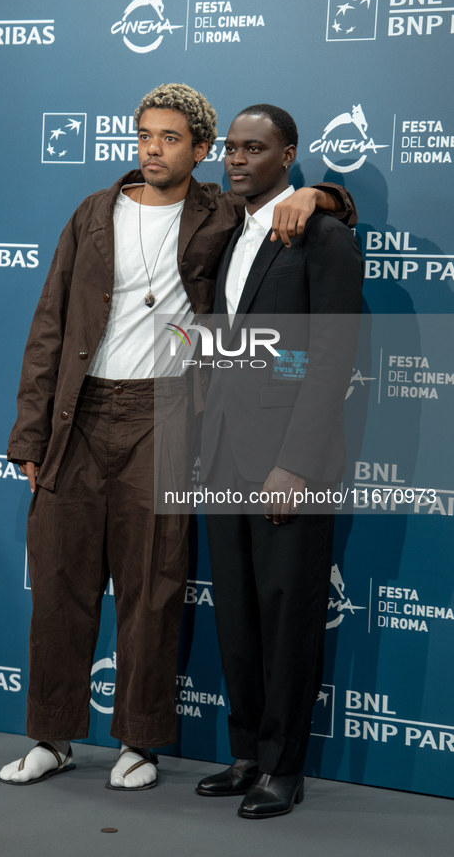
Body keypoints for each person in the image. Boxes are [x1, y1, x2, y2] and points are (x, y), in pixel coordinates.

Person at [0, 84, 355, 791]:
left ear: (196, 148)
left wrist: (325, 196)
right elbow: (48, 326)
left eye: (168, 137)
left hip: (165, 416)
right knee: (61, 585)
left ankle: (140, 741)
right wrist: (29, 432)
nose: (152, 149)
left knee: (153, 588)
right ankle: (51, 735)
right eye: (143, 136)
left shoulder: (221, 211)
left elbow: (302, 212)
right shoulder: (92, 214)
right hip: (78, 417)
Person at [196, 104, 363, 817]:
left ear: (287, 155)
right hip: (222, 455)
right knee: (236, 614)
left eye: (253, 148)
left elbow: (329, 360)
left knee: (288, 615)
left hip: (286, 463)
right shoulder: (223, 227)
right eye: (230, 148)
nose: (236, 159)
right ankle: (245, 751)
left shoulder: (319, 236)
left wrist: (294, 463)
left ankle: (282, 767)